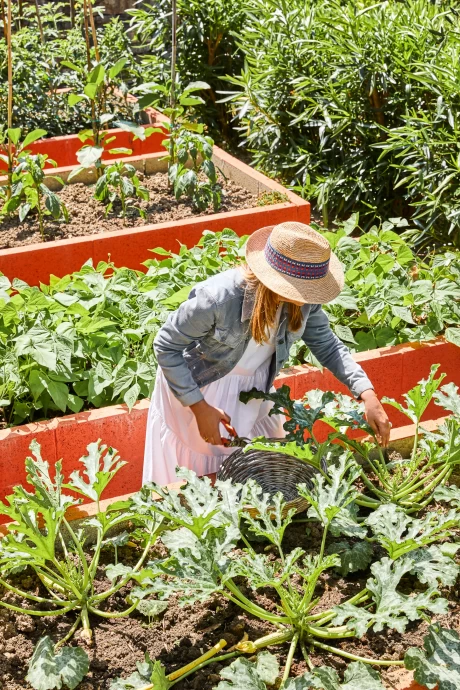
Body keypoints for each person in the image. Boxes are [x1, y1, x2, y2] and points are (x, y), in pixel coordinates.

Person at [143, 221, 390, 485]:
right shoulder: (218, 299)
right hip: (200, 387)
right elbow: (166, 346)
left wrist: (366, 393)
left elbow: (328, 345)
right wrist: (199, 408)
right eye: (306, 289)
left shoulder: (305, 304)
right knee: (200, 474)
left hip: (254, 391)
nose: (311, 296)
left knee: (256, 467)